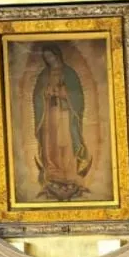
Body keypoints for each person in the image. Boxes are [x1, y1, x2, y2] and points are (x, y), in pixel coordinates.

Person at [32, 44, 92, 200]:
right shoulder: (43, 76)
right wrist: (45, 93)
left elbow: (78, 95)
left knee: (66, 141)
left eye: (51, 57)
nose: (50, 60)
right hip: (49, 114)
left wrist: (65, 93)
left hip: (65, 113)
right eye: (47, 58)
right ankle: (52, 172)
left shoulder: (70, 74)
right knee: (50, 143)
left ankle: (69, 172)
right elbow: (37, 96)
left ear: (57, 55)